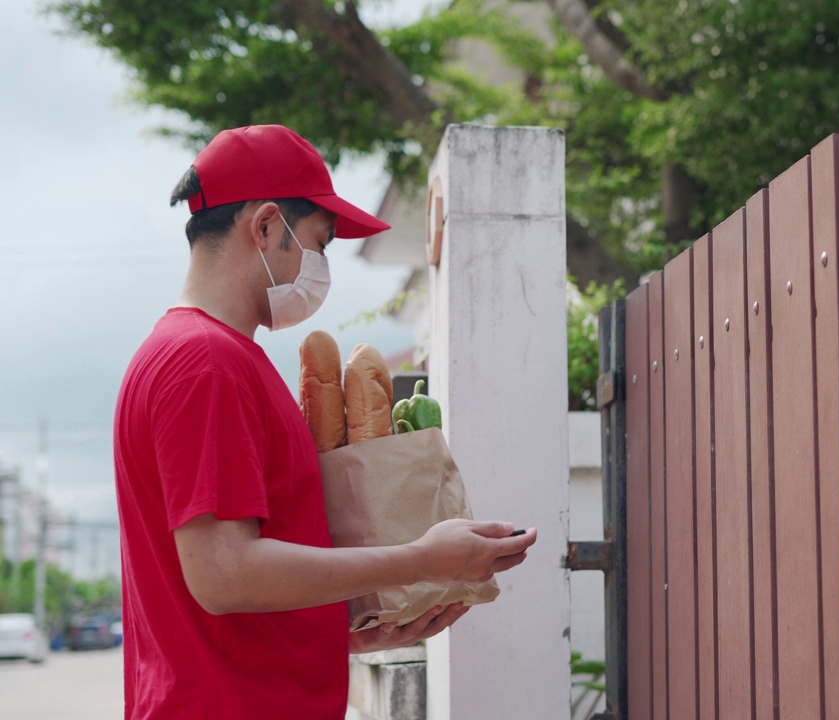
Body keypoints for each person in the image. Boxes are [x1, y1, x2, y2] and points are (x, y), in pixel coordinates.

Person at [112, 125, 538, 719]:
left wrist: (338, 635)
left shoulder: (207, 355)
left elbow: (225, 593)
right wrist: (423, 558)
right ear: (264, 227)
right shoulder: (205, 362)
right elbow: (224, 574)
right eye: (320, 242)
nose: (322, 265)